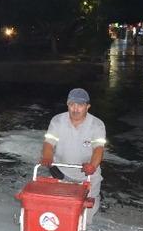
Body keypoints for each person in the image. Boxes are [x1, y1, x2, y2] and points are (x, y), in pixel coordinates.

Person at [40, 88, 106, 223]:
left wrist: (92, 166)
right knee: (60, 211)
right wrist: (47, 157)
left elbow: (98, 149)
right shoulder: (57, 120)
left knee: (85, 217)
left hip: (87, 174)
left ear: (87, 107)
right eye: (72, 104)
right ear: (67, 104)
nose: (75, 109)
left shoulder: (97, 125)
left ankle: (84, 229)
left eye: (80, 105)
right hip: (62, 171)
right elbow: (49, 143)